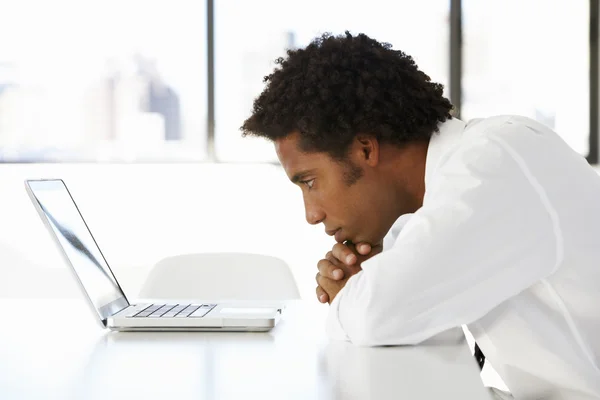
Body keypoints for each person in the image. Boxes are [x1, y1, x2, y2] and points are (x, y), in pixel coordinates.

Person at [240, 31, 600, 399]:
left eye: (311, 181)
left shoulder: (494, 160)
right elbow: (408, 316)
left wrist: (357, 292)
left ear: (365, 149)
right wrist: (372, 281)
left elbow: (376, 314)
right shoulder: (449, 189)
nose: (311, 215)